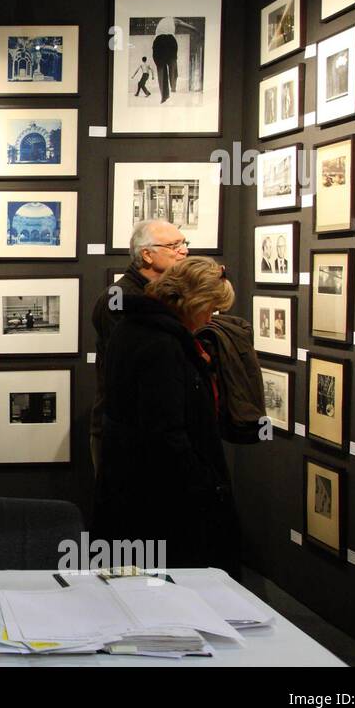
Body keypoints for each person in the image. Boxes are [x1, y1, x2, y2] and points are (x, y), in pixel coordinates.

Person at [97, 256, 240, 577]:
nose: (211, 317)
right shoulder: (163, 344)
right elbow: (165, 432)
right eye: (211, 308)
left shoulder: (132, 329)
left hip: (131, 492)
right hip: (165, 502)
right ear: (193, 301)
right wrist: (204, 484)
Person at [89, 220, 189, 477]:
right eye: (174, 245)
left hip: (161, 426)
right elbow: (129, 371)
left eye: (184, 244)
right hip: (126, 432)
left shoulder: (171, 295)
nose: (184, 251)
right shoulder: (118, 298)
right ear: (147, 254)